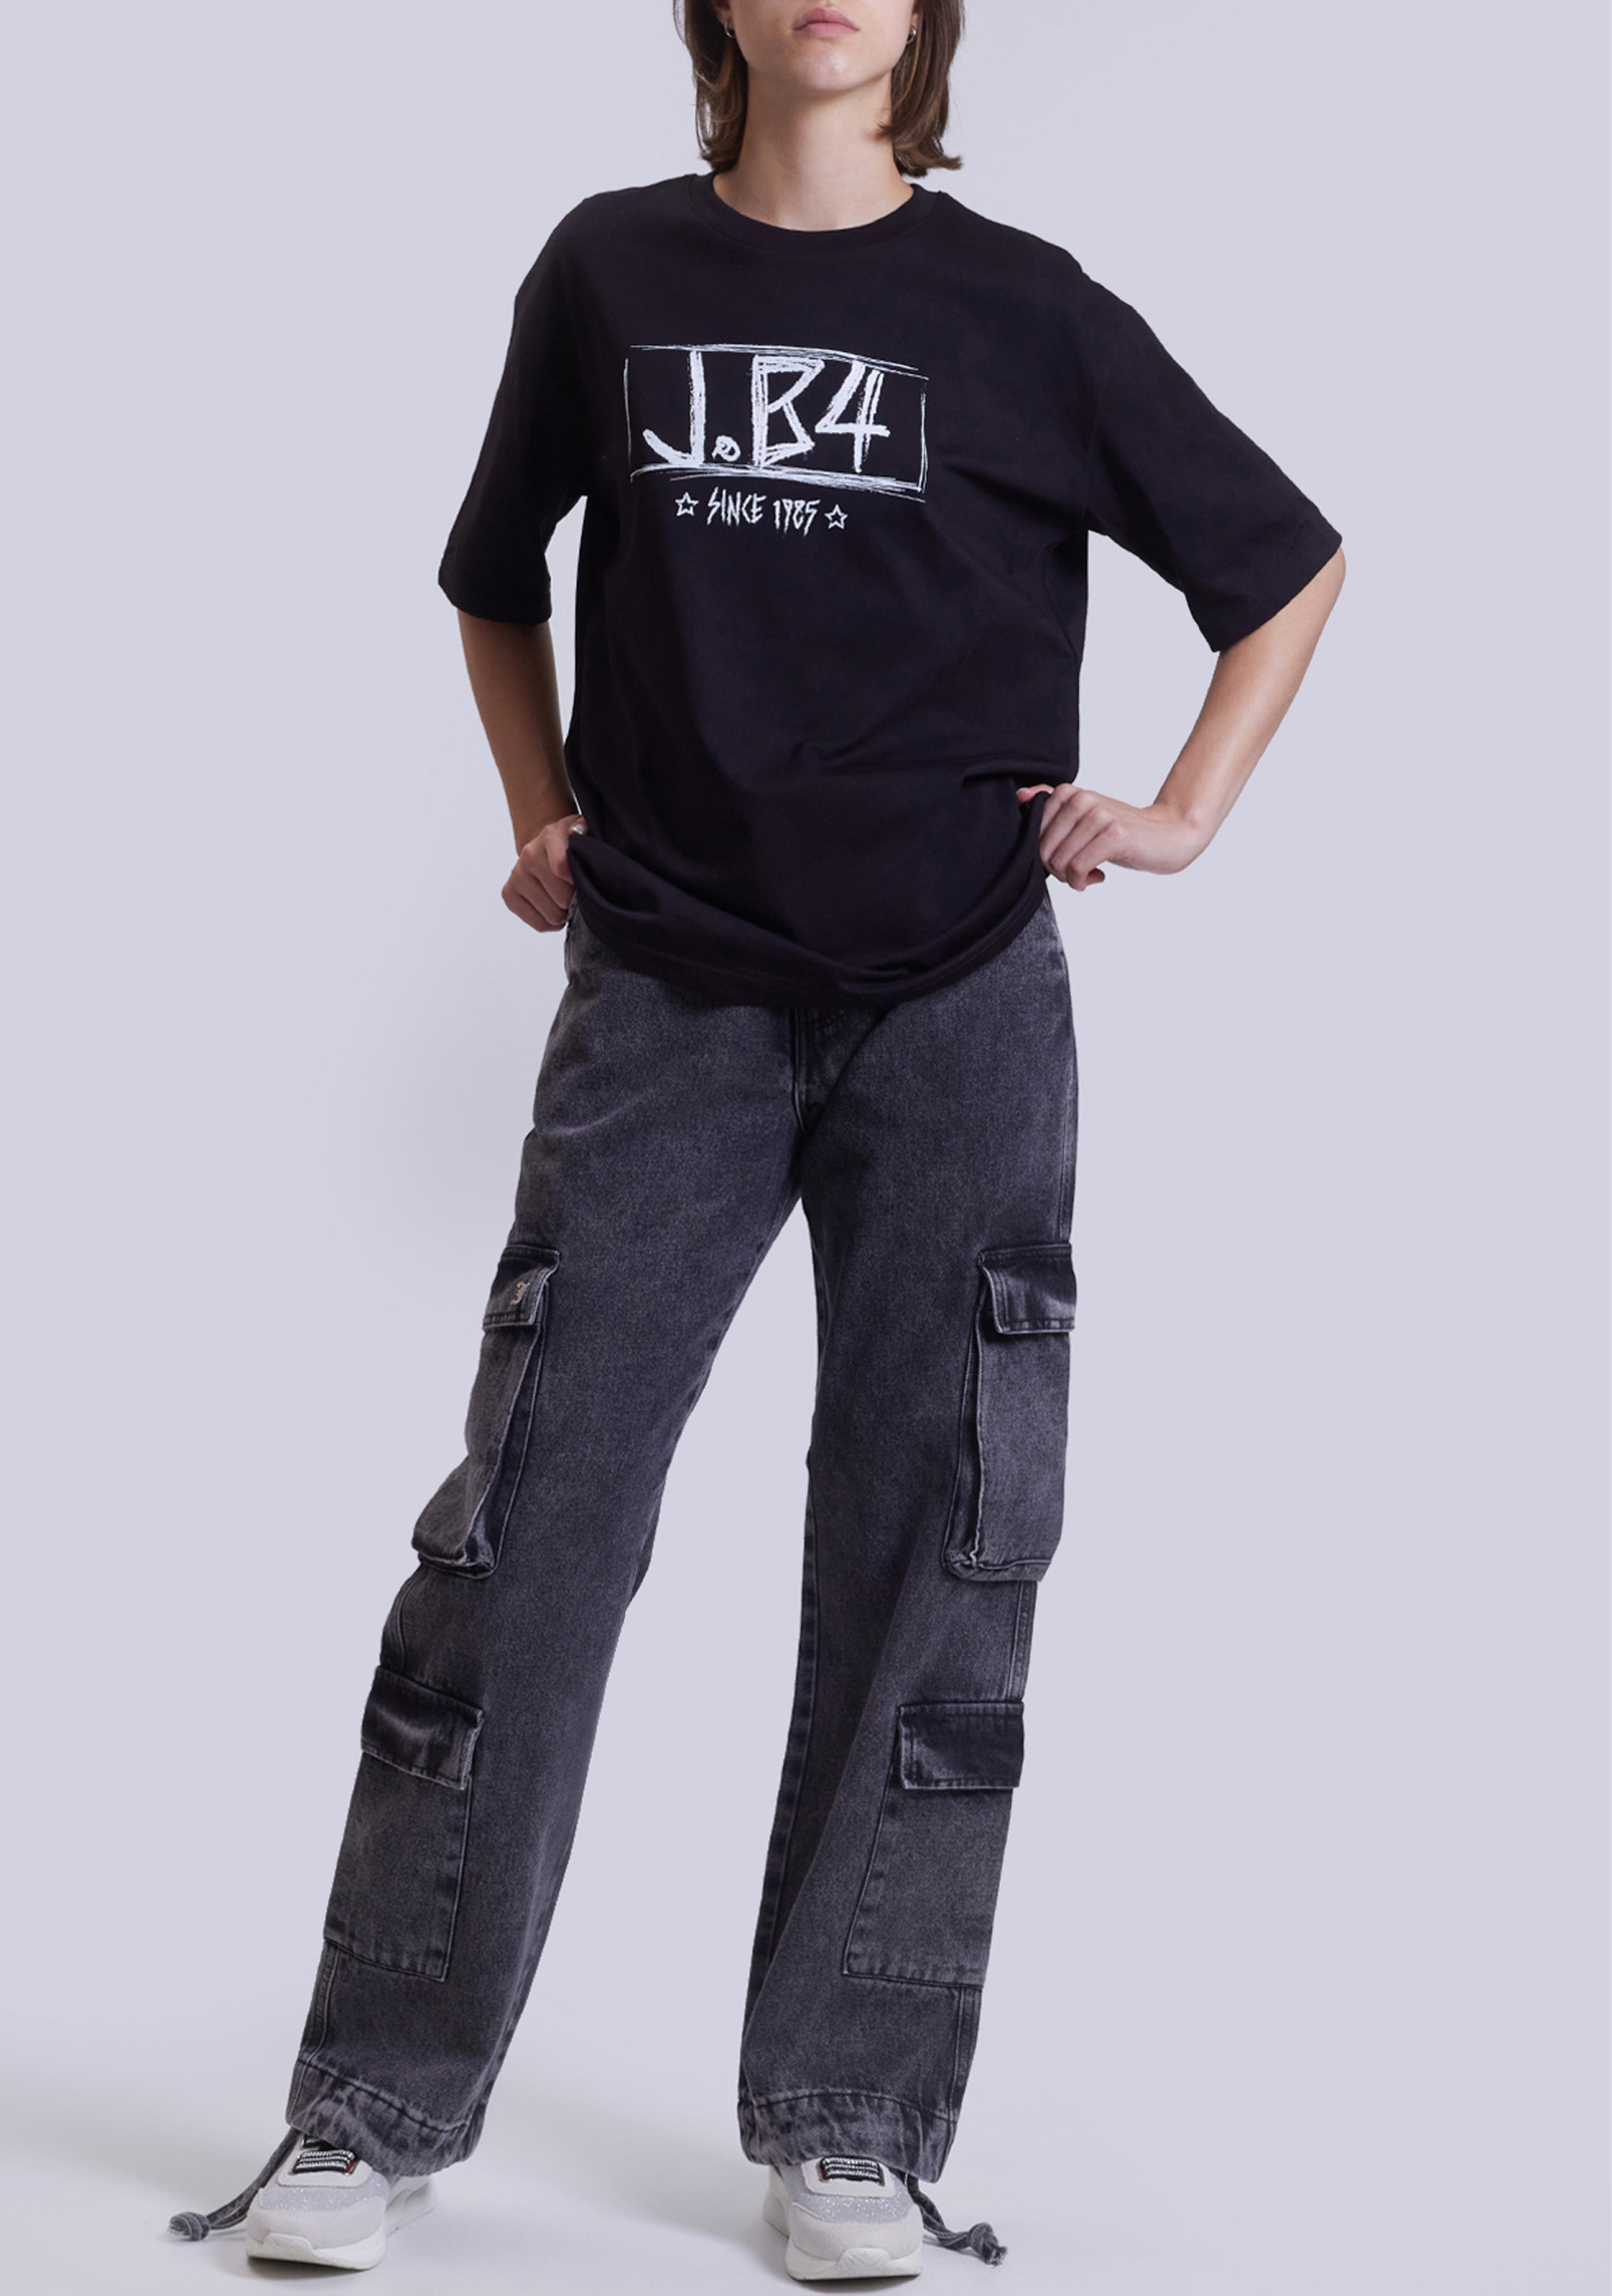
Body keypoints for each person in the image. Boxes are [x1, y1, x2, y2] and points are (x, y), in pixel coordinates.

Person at [173, 0, 1343, 2276]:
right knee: (531, 1527)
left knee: (936, 1544)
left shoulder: (1026, 309)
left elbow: (1281, 565)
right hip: (668, 1000)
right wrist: (539, 808)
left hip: (960, 1004)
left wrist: (1187, 810)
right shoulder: (610, 271)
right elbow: (492, 572)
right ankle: (373, 2104)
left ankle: (849, 2120)